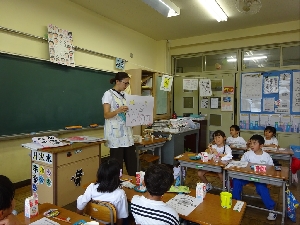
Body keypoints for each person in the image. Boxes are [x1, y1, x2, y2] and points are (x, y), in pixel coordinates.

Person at [232, 135, 277, 221]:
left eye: (254, 143)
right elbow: (241, 165)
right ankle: (237, 202)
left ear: (261, 145)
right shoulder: (247, 154)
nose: (251, 145)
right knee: (236, 181)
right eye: (251, 143)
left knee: (261, 188)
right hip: (246, 176)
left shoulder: (266, 156)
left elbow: (271, 168)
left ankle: (271, 209)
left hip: (260, 179)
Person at [102, 72, 137, 176]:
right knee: (117, 165)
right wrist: (118, 110)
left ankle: (134, 184)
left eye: (127, 84)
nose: (126, 86)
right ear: (117, 81)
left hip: (127, 134)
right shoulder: (108, 94)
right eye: (125, 83)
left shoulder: (126, 95)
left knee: (132, 163)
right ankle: (117, 186)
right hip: (115, 135)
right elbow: (106, 115)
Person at [77, 159, 128, 225]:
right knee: (127, 214)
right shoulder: (120, 193)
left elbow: (81, 203)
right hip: (110, 223)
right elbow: (121, 217)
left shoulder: (91, 187)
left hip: (94, 221)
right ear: (116, 177)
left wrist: (78, 218)